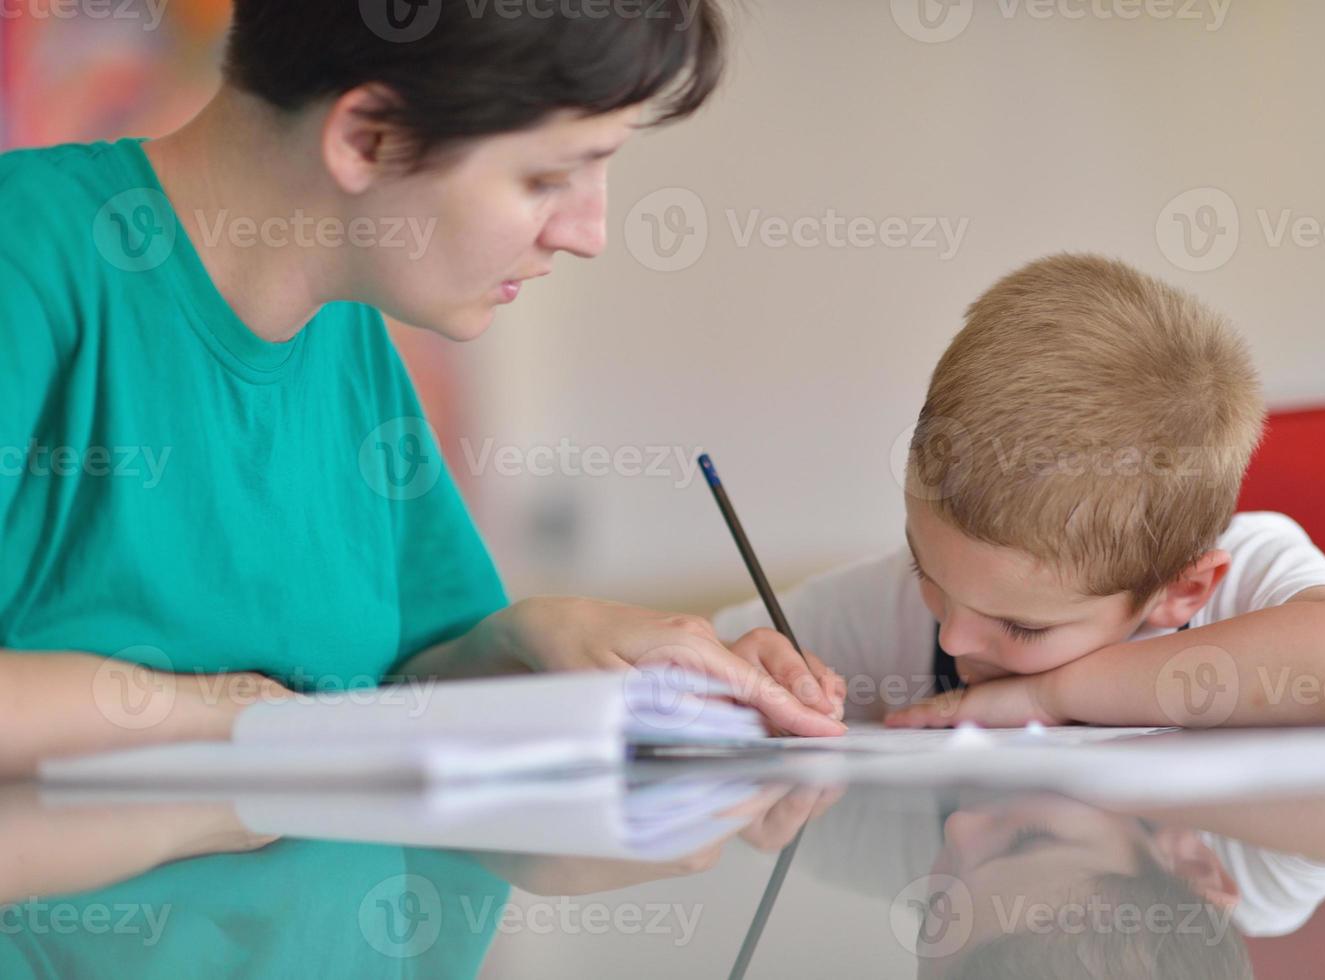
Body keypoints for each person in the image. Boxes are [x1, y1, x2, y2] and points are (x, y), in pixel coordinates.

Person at [0, 0, 846, 779]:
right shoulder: (29, 266)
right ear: (369, 138)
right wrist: (235, 720)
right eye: (549, 178)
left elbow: (391, 687)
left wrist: (525, 639)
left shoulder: (344, 326)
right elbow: (320, 727)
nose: (588, 232)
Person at [715, 254, 1325, 728]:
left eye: (1023, 626)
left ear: (1180, 591)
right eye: (928, 572)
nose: (953, 637)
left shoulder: (1239, 585)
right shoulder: (909, 606)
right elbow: (679, 670)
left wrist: (1050, 695)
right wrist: (736, 683)